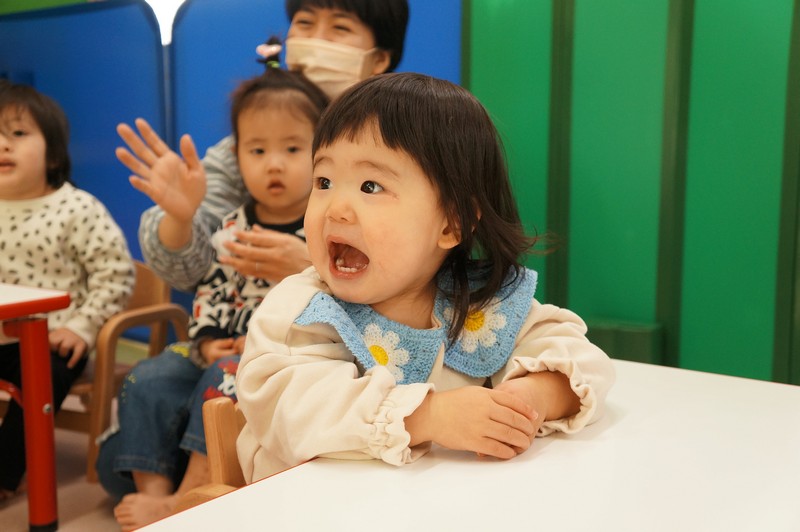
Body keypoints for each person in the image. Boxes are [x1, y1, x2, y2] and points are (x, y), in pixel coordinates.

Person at [235, 73, 616, 481]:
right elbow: (293, 409)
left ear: (451, 224)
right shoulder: (302, 311)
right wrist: (428, 416)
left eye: (370, 186)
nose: (336, 209)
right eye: (324, 182)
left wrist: (528, 397)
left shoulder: (477, 303)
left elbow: (584, 360)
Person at [96, 45, 329, 531]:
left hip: (284, 357)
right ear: (236, 157)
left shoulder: (325, 227)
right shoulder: (231, 224)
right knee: (150, 374)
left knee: (227, 375)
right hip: (218, 347)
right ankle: (155, 494)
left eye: (292, 149)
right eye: (257, 151)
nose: (274, 165)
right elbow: (212, 289)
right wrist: (205, 341)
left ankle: (189, 495)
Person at [117, 0, 409, 293]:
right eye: (305, 23)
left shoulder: (406, 138)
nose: (316, 38)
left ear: (379, 59)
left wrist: (315, 267)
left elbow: (421, 266)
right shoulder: (248, 148)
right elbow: (187, 271)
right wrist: (180, 219)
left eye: (340, 27)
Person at [0, 80, 134, 500]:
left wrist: (82, 327)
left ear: (54, 154)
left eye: (18, 133)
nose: (3, 144)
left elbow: (115, 274)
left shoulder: (76, 209)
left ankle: (4, 472)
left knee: (41, 371)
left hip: (50, 340)